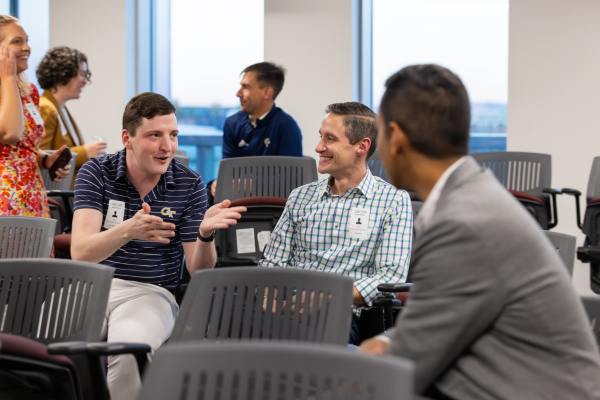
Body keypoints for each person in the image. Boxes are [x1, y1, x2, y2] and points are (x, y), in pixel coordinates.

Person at [359, 64, 600, 399]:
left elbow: (405, 367)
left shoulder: (463, 223)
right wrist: (387, 342)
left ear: (396, 138)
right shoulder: (470, 195)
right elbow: (438, 326)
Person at [71, 92, 246, 400]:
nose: (168, 147)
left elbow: (199, 270)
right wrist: (128, 230)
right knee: (45, 346)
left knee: (127, 355)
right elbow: (81, 252)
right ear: (127, 138)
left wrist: (204, 236)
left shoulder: (189, 184)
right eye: (155, 136)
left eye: (173, 135)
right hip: (89, 285)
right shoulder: (96, 172)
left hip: (149, 291)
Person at [259, 102, 413, 345]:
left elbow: (389, 276)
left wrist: (329, 295)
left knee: (301, 339)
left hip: (336, 315)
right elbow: (273, 262)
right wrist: (268, 296)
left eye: (330, 139)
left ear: (362, 146)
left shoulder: (393, 201)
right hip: (283, 308)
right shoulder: (300, 196)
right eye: (321, 137)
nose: (319, 147)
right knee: (220, 307)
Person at [0, 15, 70, 217]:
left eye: (26, 40)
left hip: (32, 193)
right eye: (16, 41)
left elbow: (23, 147)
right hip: (5, 196)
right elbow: (10, 133)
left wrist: (45, 160)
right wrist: (7, 78)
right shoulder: (10, 86)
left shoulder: (29, 91)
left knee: (37, 249)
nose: (26, 48)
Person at [37, 46, 107, 188]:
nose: (85, 81)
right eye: (81, 74)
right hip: (56, 197)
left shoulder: (59, 107)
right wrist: (84, 152)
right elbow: (40, 155)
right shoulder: (46, 107)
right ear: (64, 74)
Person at [222, 62, 302, 159]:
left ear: (266, 92)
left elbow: (291, 172)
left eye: (246, 87)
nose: (238, 94)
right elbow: (228, 171)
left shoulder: (287, 127)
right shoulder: (232, 123)